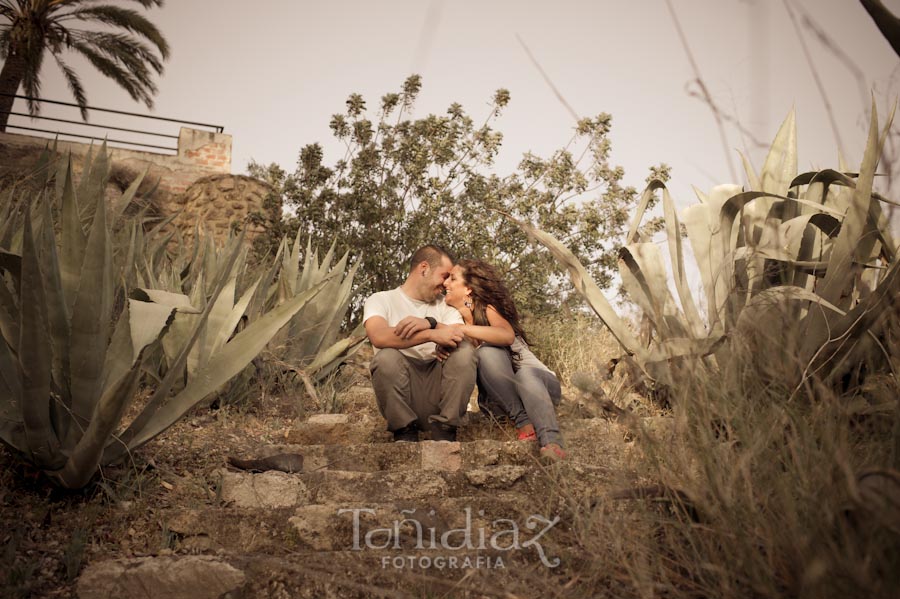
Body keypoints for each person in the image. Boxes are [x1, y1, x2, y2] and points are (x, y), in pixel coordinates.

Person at [441, 259, 566, 462]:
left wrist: (462, 329)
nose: (445, 283)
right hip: (500, 403)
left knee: (517, 369)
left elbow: (506, 335)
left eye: (452, 279)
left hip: (539, 388)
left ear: (468, 289)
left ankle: (552, 443)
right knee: (482, 355)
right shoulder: (451, 318)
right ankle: (523, 422)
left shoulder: (487, 309)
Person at [363, 245, 477, 442]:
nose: (446, 284)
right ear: (424, 268)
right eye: (444, 276)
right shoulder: (380, 299)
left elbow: (459, 335)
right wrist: (431, 335)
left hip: (438, 390)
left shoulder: (445, 305)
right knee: (386, 357)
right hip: (403, 392)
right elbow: (379, 336)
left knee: (464, 350)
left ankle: (446, 428)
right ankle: (404, 431)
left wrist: (431, 323)